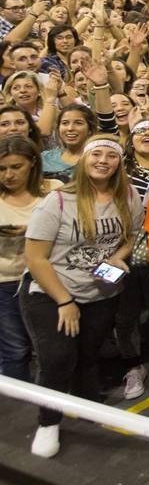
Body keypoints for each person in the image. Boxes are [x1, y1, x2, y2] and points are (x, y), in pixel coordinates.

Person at [20, 135, 142, 457]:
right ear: (84, 160)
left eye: (110, 156)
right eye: (96, 154)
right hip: (51, 289)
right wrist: (65, 301)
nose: (103, 160)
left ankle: (86, 407)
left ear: (119, 162)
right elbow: (35, 259)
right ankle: (49, 422)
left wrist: (118, 257)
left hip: (100, 289)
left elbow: (132, 235)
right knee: (58, 357)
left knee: (88, 356)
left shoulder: (127, 195)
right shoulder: (58, 200)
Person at [0, 135, 47, 381]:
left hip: (44, 282)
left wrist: (31, 230)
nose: (8, 175)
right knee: (15, 350)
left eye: (16, 167)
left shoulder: (51, 193)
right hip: (4, 283)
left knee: (47, 349)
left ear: (32, 163)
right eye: (2, 168)